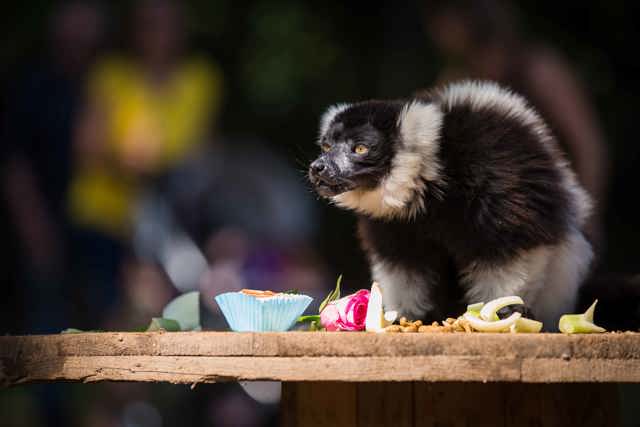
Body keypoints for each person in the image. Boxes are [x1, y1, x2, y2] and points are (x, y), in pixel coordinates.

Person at [68, 0, 223, 325]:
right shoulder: (111, 75)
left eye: (167, 23)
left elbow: (205, 154)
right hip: (106, 222)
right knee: (114, 323)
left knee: (170, 316)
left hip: (172, 225)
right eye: (148, 24)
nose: (157, 34)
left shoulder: (201, 78)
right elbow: (86, 148)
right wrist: (129, 164)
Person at [424, 0, 608, 249]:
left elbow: (589, 146)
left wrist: (587, 216)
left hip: (561, 223)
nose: (434, 29)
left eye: (440, 17)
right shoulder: (457, 81)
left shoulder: (539, 70)